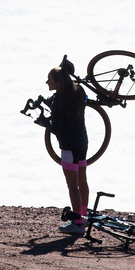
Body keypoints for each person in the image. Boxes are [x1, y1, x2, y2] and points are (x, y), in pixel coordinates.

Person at [45, 59, 89, 234]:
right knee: (82, 181)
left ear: (59, 83)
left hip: (68, 146)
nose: (47, 82)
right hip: (82, 142)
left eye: (50, 79)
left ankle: (77, 223)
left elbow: (57, 128)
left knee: (72, 186)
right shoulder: (78, 91)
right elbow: (82, 101)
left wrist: (44, 123)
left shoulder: (58, 103)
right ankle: (84, 216)